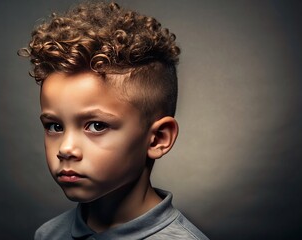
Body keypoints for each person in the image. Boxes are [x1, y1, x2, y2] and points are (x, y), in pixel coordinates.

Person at [19, 1, 209, 239]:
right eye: (55, 126)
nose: (66, 149)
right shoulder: (48, 235)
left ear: (158, 139)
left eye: (97, 126)